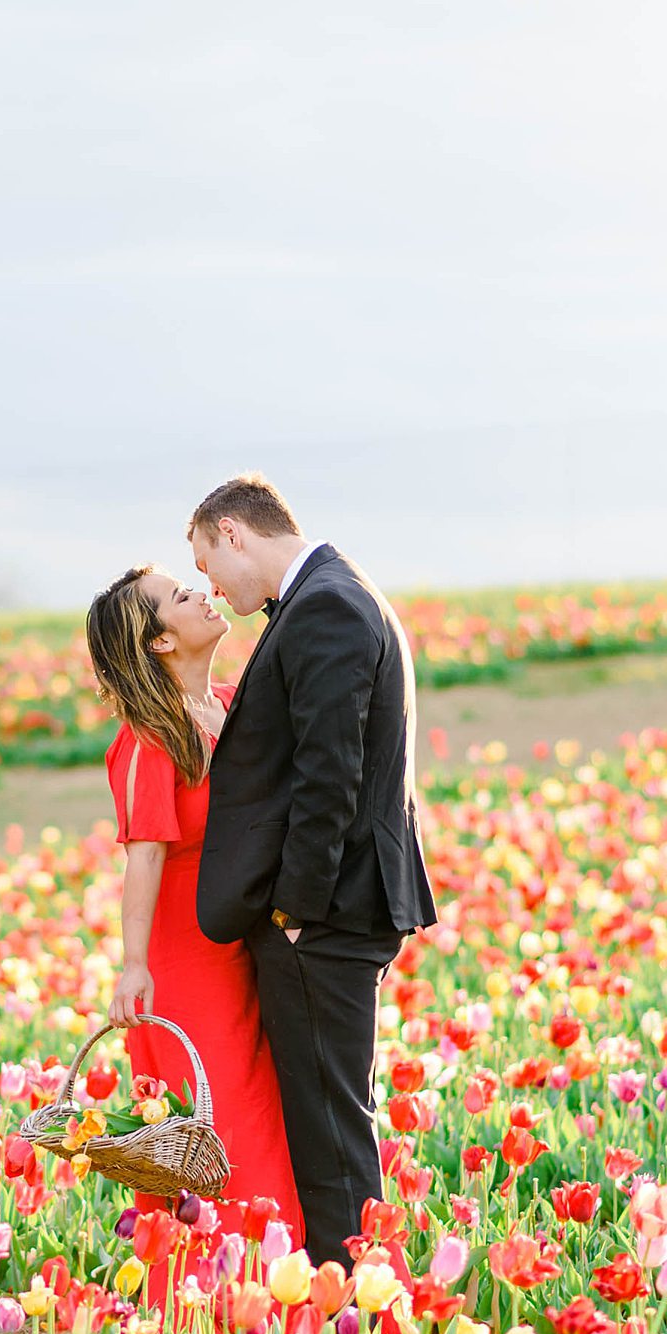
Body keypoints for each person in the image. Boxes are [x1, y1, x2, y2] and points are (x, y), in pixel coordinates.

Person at [186, 474, 439, 1266]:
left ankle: (358, 1310)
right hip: (339, 910)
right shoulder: (336, 591)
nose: (212, 587)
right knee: (335, 1120)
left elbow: (330, 774)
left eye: (206, 562)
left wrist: (294, 908)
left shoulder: (325, 605)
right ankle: (362, 1297)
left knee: (330, 1134)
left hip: (324, 918)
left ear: (234, 533)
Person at [84, 563, 306, 1299]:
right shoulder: (150, 737)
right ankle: (223, 1308)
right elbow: (143, 858)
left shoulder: (228, 704)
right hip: (181, 968)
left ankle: (271, 1289)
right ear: (158, 641)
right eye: (181, 597)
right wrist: (133, 965)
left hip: (237, 949)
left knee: (254, 1116)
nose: (202, 595)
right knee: (223, 1127)